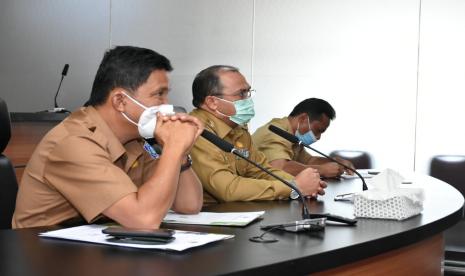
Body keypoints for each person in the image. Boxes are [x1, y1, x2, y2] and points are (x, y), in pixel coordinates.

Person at [12, 46, 204, 229]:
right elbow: (144, 219)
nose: (166, 105)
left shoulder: (137, 140)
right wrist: (173, 147)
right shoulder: (74, 142)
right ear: (120, 101)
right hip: (46, 254)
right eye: (159, 95)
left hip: (96, 248)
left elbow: (189, 204)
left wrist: (180, 153)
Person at [189, 65, 326, 203]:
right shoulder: (195, 130)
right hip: (203, 216)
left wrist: (300, 184)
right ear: (212, 102)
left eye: (249, 92)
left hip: (234, 212)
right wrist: (293, 187)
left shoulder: (237, 129)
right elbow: (227, 188)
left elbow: (261, 170)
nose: (248, 100)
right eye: (241, 93)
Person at [252, 98, 355, 178]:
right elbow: (280, 168)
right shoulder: (276, 132)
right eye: (318, 130)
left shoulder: (292, 135)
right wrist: (321, 170)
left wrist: (335, 161)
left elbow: (309, 161)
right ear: (303, 119)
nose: (318, 137)